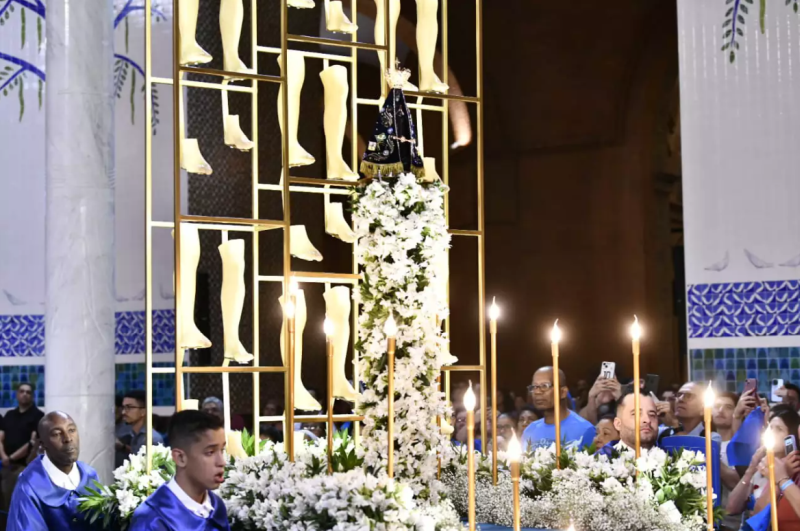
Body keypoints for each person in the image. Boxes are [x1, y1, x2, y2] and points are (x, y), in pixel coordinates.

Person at [130, 410, 229, 531]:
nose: (222, 462)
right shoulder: (152, 518)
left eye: (222, 450)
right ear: (180, 458)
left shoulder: (216, 506)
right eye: (210, 452)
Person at [7, 411, 100, 530]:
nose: (68, 438)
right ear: (42, 444)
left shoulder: (89, 475)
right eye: (57, 434)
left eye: (71, 430)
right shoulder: (29, 486)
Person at [726, 405, 800, 531]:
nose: (772, 433)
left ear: (792, 437)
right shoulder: (761, 467)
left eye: (779, 429)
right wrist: (751, 470)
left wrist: (782, 478)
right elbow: (732, 509)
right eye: (770, 428)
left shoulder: (794, 469)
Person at [521, 367, 595, 450]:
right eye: (534, 387)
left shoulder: (585, 430)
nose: (537, 392)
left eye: (545, 386)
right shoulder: (529, 431)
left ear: (563, 392)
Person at [0, 382, 44, 510]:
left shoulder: (38, 416)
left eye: (28, 392)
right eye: (22, 391)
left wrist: (12, 458)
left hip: (23, 466)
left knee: (15, 501)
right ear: (17, 394)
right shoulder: (9, 415)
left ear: (32, 396)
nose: (24, 394)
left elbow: (32, 443)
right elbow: (0, 437)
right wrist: (4, 457)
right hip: (5, 464)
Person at [713, 391, 746, 531]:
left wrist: (712, 456)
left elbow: (737, 483)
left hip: (732, 523)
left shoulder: (741, 447)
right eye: (717, 406)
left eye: (728, 407)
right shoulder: (704, 440)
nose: (721, 411)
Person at [595, 392, 658, 456]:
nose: (647, 420)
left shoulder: (667, 456)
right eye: (636, 414)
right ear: (618, 424)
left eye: (652, 415)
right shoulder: (599, 462)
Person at [117, 390, 164, 459]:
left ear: (143, 411)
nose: (123, 412)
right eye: (123, 407)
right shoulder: (135, 435)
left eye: (129, 407)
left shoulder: (152, 439)